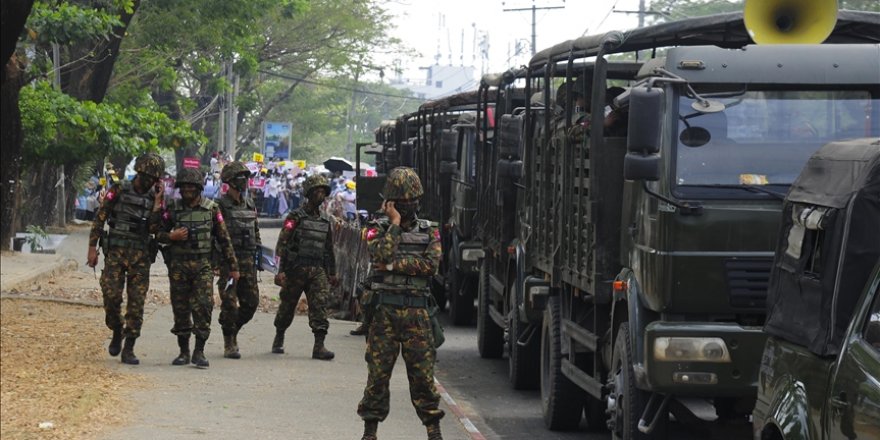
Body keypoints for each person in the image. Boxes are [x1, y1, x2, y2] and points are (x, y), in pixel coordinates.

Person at [357, 167, 444, 440]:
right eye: (402, 201)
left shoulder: (430, 231)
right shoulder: (376, 229)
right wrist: (394, 224)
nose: (409, 205)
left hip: (417, 314)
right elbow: (379, 255)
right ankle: (370, 431)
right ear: (390, 203)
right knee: (377, 377)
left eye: (412, 200)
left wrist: (393, 265)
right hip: (384, 313)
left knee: (423, 378)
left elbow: (430, 267)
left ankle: (434, 431)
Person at [87, 153, 166, 365]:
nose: (149, 181)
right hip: (116, 253)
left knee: (136, 303)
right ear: (139, 172)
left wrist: (157, 204)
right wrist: (92, 249)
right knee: (111, 295)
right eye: (146, 176)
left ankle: (129, 347)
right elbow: (101, 217)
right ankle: (117, 328)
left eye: (153, 178)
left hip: (140, 257)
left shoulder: (155, 198)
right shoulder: (119, 189)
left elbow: (155, 229)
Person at [157, 168, 239, 368]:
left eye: (191, 187)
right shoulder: (173, 208)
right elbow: (156, 232)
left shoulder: (212, 209)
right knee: (180, 308)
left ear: (199, 188)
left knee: (203, 305)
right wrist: (171, 236)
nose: (187, 190)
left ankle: (199, 351)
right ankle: (183, 351)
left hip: (203, 266)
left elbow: (224, 239)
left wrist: (233, 266)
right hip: (178, 266)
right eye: (183, 187)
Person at [272, 175, 338, 360]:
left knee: (320, 306)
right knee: (287, 306)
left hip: (317, 270)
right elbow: (282, 243)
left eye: (323, 191)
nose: (321, 195)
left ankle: (319, 346)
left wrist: (332, 272)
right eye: (317, 191)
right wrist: (279, 271)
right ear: (309, 193)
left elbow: (328, 248)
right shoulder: (295, 217)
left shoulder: (325, 220)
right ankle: (279, 335)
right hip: (296, 269)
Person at [215, 162, 262, 359]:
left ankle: (232, 328)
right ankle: (229, 342)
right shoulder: (220, 206)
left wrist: (259, 255)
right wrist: (217, 261)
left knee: (251, 303)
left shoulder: (250, 204)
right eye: (241, 178)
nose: (245, 181)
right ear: (230, 181)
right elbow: (215, 235)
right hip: (229, 263)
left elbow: (255, 231)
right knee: (229, 303)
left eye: (246, 178)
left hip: (248, 262)